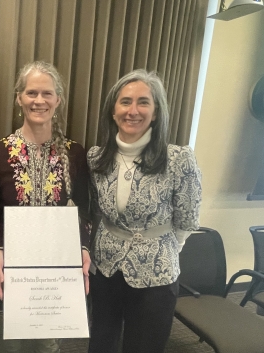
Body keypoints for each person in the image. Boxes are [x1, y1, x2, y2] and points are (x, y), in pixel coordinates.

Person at [87, 69, 202, 353]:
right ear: (113, 110)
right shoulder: (95, 158)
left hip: (157, 273)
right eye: (125, 102)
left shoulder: (178, 159)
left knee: (144, 346)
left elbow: (187, 219)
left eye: (143, 102)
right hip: (105, 266)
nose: (133, 110)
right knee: (101, 342)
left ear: (156, 111)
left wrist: (163, 246)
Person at [0, 61, 91, 353]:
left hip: (57, 275)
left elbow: (85, 210)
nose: (39, 101)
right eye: (31, 93)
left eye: (47, 94)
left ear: (58, 100)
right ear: (19, 98)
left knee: (48, 347)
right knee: (11, 346)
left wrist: (83, 248)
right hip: (13, 272)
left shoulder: (75, 154)